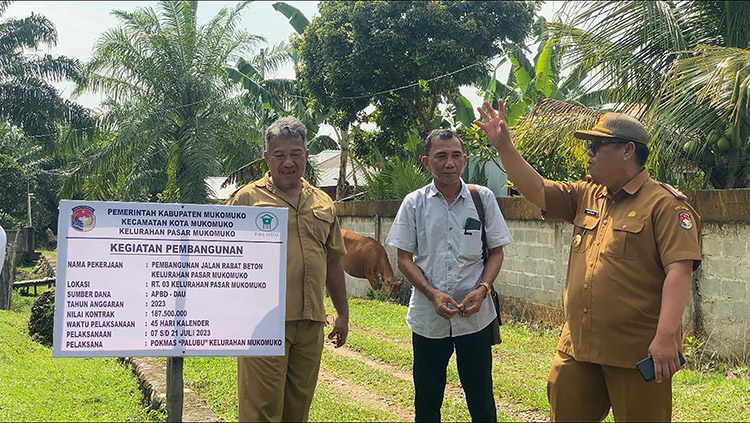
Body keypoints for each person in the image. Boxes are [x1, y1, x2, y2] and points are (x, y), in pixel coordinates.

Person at [474, 100, 702, 422]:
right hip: (578, 347)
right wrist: (504, 146)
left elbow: (678, 272)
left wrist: (665, 338)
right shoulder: (587, 195)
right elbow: (537, 189)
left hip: (635, 352)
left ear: (627, 151)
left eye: (597, 145)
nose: (589, 153)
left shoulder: (664, 205)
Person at [226, 116, 349, 422]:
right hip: (262, 325)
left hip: (310, 322)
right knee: (261, 411)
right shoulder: (246, 199)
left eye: (295, 153)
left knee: (298, 410)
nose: (288, 162)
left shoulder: (322, 201)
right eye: (279, 155)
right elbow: (222, 258)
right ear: (267, 158)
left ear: (307, 155)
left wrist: (343, 314)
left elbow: (333, 260)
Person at [386, 129, 513, 422]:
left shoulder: (483, 198)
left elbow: (496, 252)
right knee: (428, 399)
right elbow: (404, 258)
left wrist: (482, 289)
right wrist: (432, 294)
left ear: (464, 160)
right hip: (429, 319)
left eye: (456, 156)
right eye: (441, 156)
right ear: (426, 162)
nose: (449, 163)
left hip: (476, 317)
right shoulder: (414, 203)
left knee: (481, 397)